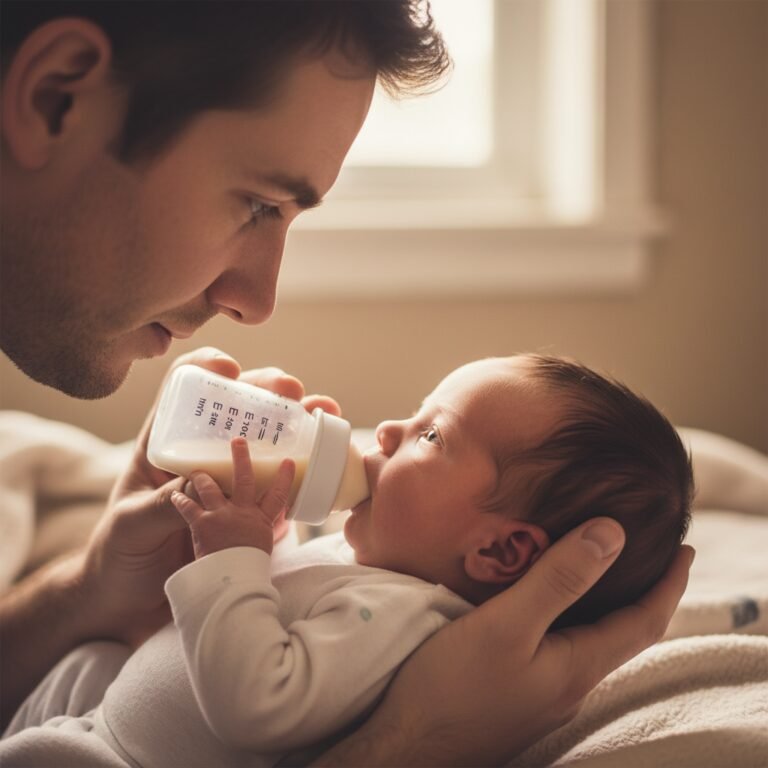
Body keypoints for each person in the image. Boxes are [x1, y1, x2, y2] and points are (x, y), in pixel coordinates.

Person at [0, 2, 695, 764]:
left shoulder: (401, 613)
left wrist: (93, 588)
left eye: (433, 434)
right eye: (257, 204)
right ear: (56, 98)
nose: (258, 302)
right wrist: (409, 745)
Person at [1, 354, 693, 766]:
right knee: (92, 657)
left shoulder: (400, 619)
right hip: (94, 714)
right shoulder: (383, 569)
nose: (388, 429)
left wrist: (233, 558)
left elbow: (263, 701)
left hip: (112, 756)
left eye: (432, 435)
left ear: (499, 550)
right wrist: (268, 539)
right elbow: (281, 608)